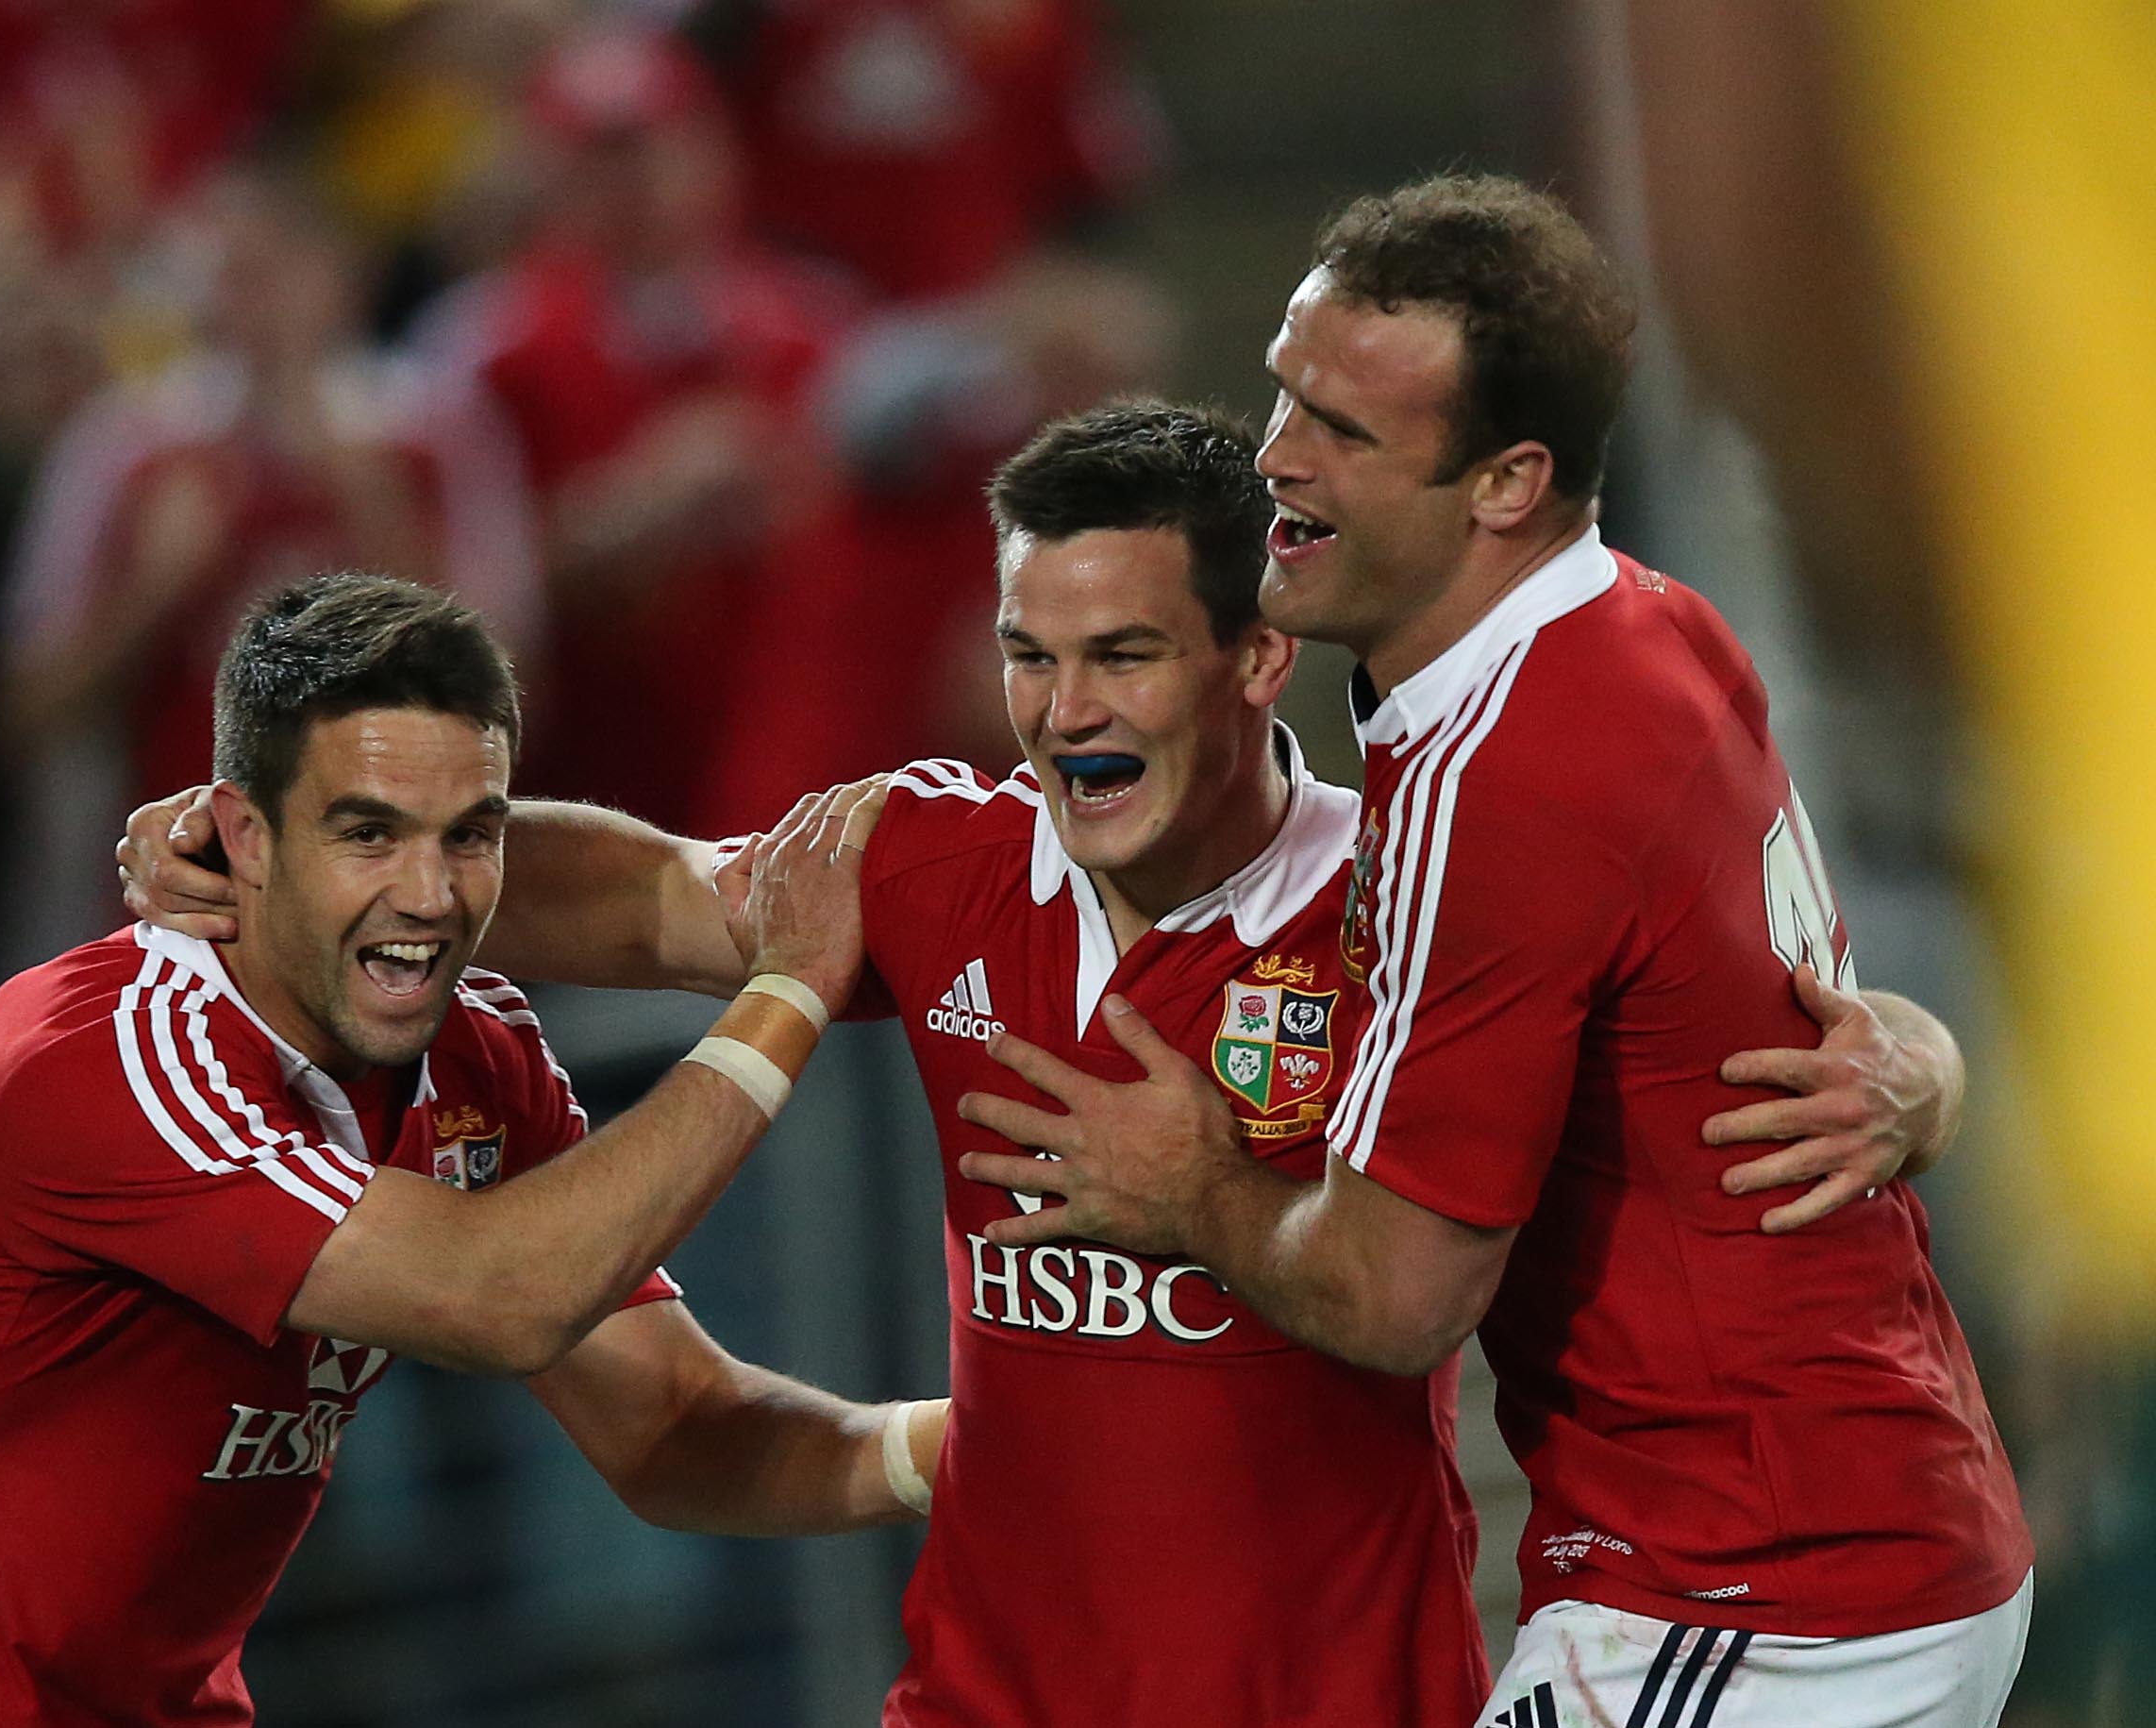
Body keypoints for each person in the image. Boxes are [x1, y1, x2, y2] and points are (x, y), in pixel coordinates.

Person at [122, 406, 1970, 1725]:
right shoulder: (929, 860)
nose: (1064, 711)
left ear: (1256, 656)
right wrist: (328, 857)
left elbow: (1732, 1056)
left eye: (1121, 655)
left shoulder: (1413, 903)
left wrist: (1913, 1057)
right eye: (1030, 654)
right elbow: (658, 900)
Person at [950, 179, 2031, 1726]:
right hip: (1847, 1525)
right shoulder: (1642, 625)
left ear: (1507, 483)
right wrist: (1920, 1058)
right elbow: (1762, 1012)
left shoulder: (1510, 766)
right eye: (1283, 392)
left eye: (1345, 431)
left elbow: (1399, 1294)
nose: (1276, 461)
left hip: (1760, 1593)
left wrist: (1184, 1181)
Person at [0, 573, 944, 1727]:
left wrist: (980, 1442)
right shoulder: (106, 1054)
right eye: (366, 832)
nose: (428, 894)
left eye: (467, 835)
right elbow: (499, 1295)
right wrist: (782, 998)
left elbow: (675, 1427)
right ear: (240, 834)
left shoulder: (473, 1055)